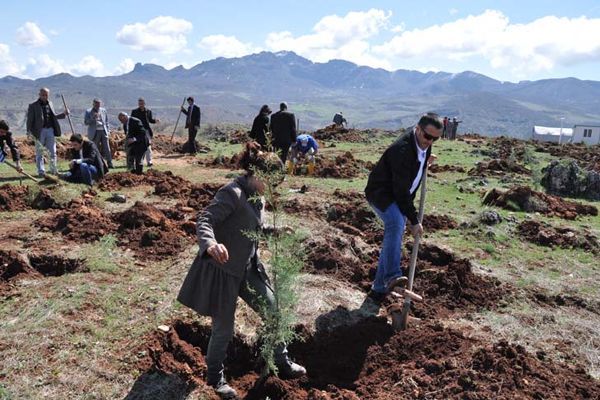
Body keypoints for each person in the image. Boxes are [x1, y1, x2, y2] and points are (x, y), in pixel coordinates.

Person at [177, 143, 306, 398]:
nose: (273, 189)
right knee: (224, 328)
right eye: (271, 183)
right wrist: (211, 244)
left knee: (273, 310)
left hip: (247, 269)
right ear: (257, 174)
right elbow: (205, 219)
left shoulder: (257, 197)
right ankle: (215, 379)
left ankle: (281, 361)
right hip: (224, 272)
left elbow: (251, 229)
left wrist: (273, 232)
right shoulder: (233, 193)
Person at [364, 113, 442, 304]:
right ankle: (391, 276)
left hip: (396, 194)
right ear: (417, 128)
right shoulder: (401, 150)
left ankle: (378, 289)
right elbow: (401, 192)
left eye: (435, 138)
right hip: (381, 193)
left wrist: (425, 162)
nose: (429, 141)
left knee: (394, 231)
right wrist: (414, 220)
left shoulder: (424, 143)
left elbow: (417, 161)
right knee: (397, 223)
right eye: (427, 136)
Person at [26, 87, 69, 177]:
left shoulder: (50, 104)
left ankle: (53, 170)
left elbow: (54, 117)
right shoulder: (33, 105)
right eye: (43, 95)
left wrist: (64, 114)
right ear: (39, 95)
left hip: (50, 130)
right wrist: (28, 132)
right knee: (39, 152)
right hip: (39, 131)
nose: (45, 96)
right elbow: (29, 120)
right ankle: (41, 171)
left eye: (46, 95)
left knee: (52, 152)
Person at [84, 99, 113, 168]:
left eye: (99, 104)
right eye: (96, 104)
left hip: (103, 131)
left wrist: (108, 131)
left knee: (107, 148)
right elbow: (86, 122)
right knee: (95, 148)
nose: (98, 106)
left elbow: (106, 121)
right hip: (95, 132)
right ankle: (96, 163)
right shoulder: (88, 111)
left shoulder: (103, 110)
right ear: (93, 104)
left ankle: (110, 163)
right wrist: (93, 118)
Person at [131, 97, 159, 167]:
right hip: (137, 131)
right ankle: (138, 162)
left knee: (148, 146)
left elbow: (150, 120)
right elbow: (132, 121)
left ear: (144, 103)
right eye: (140, 103)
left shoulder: (148, 111)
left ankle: (149, 162)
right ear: (138, 104)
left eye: (142, 103)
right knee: (138, 147)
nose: (141, 105)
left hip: (146, 131)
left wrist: (155, 121)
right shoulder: (134, 112)